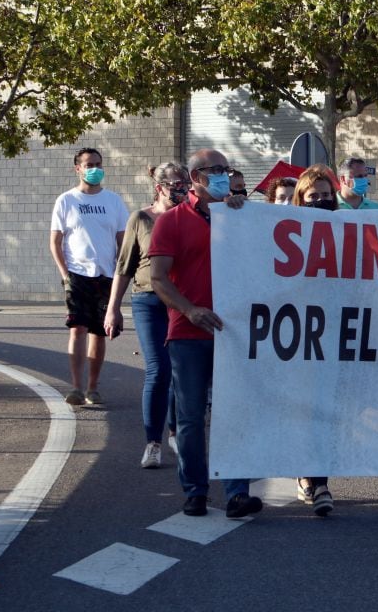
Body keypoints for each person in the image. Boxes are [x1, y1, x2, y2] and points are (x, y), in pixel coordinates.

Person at [148, 148, 263, 519]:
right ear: (196, 177)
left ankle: (236, 493)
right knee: (191, 417)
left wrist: (250, 215)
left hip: (235, 332)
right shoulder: (171, 222)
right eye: (215, 170)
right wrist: (189, 310)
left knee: (235, 414)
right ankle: (195, 490)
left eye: (225, 170)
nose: (223, 177)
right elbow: (158, 278)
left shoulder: (241, 217)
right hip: (188, 333)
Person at [105, 162, 189, 468]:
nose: (182, 189)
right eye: (176, 184)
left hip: (182, 301)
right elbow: (124, 266)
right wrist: (113, 308)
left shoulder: (191, 216)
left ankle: (174, 432)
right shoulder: (140, 219)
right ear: (160, 187)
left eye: (185, 183)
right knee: (159, 369)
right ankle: (152, 442)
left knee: (181, 370)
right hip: (149, 300)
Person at [49, 148, 129, 407]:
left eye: (98, 164)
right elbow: (55, 241)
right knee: (77, 330)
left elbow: (123, 242)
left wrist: (120, 274)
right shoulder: (66, 200)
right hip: (77, 275)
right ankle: (76, 386)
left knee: (98, 333)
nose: (94, 169)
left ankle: (93, 388)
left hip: (105, 276)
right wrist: (65, 275)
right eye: (88, 164)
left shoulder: (114, 201)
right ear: (78, 168)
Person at [287, 165, 338, 515]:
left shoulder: (354, 229)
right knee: (307, 409)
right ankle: (314, 479)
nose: (319, 201)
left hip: (341, 334)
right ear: (300, 200)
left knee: (329, 410)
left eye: (325, 195)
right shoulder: (286, 231)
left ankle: (316, 476)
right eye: (312, 196)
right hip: (301, 335)